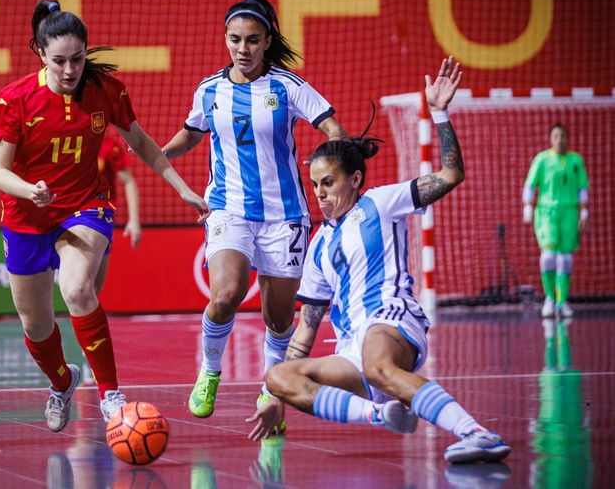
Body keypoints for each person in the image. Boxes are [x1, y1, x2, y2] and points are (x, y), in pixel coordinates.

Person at [247, 57, 512, 464]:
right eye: (315, 184)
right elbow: (306, 330)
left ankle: (477, 433)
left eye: (329, 182)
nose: (319, 192)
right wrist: (275, 397)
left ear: (354, 179)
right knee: (278, 376)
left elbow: (451, 174)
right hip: (354, 347)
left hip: (391, 317)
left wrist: (439, 111)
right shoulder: (318, 246)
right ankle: (381, 414)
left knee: (377, 366)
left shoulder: (381, 202)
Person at [0, 0, 210, 432]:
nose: (70, 70)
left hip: (83, 204)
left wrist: (183, 188)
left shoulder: (105, 90)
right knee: (35, 325)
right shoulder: (15, 100)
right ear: (39, 53)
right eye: (59, 61)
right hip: (26, 214)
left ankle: (111, 395)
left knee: (76, 288)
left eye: (77, 58)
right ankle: (62, 382)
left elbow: (141, 143)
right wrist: (29, 190)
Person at [161, 0, 348, 423]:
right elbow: (191, 134)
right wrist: (156, 154)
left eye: (252, 40)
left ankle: (270, 388)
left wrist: (338, 154)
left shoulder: (288, 86)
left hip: (285, 216)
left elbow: (332, 127)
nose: (243, 49)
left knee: (278, 318)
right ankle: (209, 372)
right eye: (235, 39)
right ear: (225, 39)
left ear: (267, 41)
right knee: (225, 296)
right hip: (228, 209)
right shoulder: (210, 90)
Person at [522, 124, 589, 318]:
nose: (560, 139)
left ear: (567, 138)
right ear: (551, 139)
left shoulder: (576, 161)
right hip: (547, 213)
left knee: (565, 259)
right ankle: (549, 298)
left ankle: (562, 301)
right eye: (556, 136)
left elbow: (582, 188)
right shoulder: (542, 160)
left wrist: (584, 214)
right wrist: (528, 207)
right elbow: (530, 184)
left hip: (569, 213)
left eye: (563, 136)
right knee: (549, 256)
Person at [95, 135, 141, 293]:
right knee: (79, 286)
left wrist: (134, 220)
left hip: (101, 217)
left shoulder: (107, 145)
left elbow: (128, 180)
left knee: (95, 286)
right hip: (70, 215)